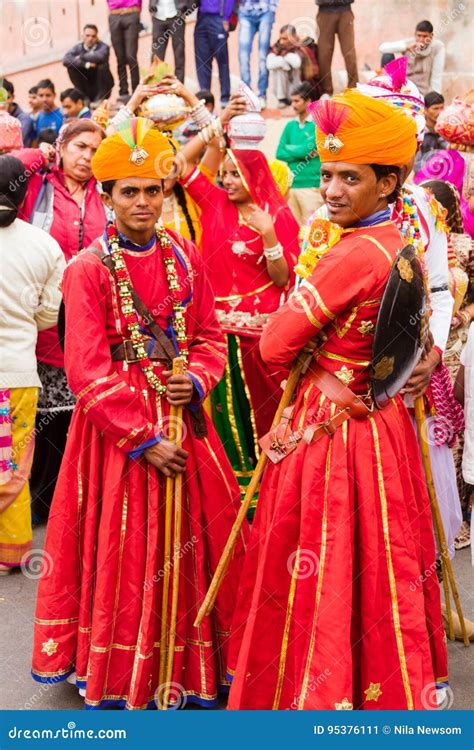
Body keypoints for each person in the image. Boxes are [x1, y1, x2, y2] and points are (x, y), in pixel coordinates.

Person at [226, 89, 448, 710]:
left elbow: (273, 345)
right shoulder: (396, 244)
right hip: (380, 425)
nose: (332, 190)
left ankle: (316, 693)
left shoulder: (350, 254)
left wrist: (296, 337)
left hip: (330, 431)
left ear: (388, 183)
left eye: (351, 178)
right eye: (326, 176)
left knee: (319, 560)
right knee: (380, 560)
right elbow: (409, 345)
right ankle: (377, 684)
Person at [31, 118, 246, 709]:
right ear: (107, 196)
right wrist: (144, 438)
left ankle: (197, 657)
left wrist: (198, 379)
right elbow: (86, 370)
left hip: (185, 413)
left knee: (201, 537)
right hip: (118, 431)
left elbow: (207, 333)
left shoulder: (184, 252)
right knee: (124, 548)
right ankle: (126, 667)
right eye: (129, 191)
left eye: (153, 189)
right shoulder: (86, 270)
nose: (144, 202)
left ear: (166, 189)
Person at [160, 76, 299, 510]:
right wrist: (208, 114)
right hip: (216, 338)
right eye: (224, 173)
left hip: (262, 342)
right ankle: (233, 492)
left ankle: (269, 489)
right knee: (221, 417)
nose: (227, 179)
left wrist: (270, 236)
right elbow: (176, 169)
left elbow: (283, 279)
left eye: (235, 173)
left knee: (263, 412)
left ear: (254, 172)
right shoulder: (214, 204)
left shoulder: (276, 214)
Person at [21, 119, 106, 523]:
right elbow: (9, 167)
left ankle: (66, 500)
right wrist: (42, 153)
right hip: (34, 313)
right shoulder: (37, 186)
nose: (87, 157)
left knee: (75, 411)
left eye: (94, 150)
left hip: (87, 313)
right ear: (62, 147)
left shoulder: (105, 192)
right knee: (39, 414)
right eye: (79, 147)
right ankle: (33, 501)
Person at [0, 156, 65, 574]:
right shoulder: (45, 246)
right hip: (19, 375)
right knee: (12, 462)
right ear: (26, 194)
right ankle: (9, 552)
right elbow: (47, 318)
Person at [276, 81, 322, 223]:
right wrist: (302, 150)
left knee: (313, 234)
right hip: (291, 187)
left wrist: (290, 148)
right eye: (292, 101)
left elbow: (304, 151)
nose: (293, 104)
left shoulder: (318, 125)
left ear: (308, 102)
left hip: (311, 186)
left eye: (297, 101)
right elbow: (279, 153)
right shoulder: (290, 125)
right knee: (294, 233)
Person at [379, 20, 445, 96]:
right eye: (419, 36)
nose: (421, 40)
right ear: (415, 35)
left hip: (421, 92)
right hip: (404, 89)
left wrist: (434, 98)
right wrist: (406, 48)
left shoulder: (437, 47)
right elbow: (382, 48)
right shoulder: (409, 43)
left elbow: (437, 76)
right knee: (387, 56)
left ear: (431, 36)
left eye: (425, 36)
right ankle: (384, 92)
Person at [194, 0, 236, 108]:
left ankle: (225, 98)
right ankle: (205, 97)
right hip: (201, 18)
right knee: (202, 61)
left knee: (222, 61)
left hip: (218, 18)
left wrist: (226, 17)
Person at [238, 0, 278, 109]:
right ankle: (247, 94)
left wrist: (272, 9)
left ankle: (262, 94)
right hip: (245, 11)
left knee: (263, 55)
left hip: (265, 10)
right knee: (243, 55)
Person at [266, 25, 319, 107]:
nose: (282, 41)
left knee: (283, 65)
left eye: (285, 39)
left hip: (298, 88)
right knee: (279, 69)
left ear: (293, 37)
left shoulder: (301, 47)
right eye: (281, 38)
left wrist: (283, 57)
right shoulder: (277, 47)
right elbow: (269, 64)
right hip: (282, 90)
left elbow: (296, 63)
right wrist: (284, 63)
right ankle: (282, 99)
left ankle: (294, 99)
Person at [316, 0, 358, 97]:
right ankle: (326, 91)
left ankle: (354, 88)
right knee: (324, 53)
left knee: (349, 52)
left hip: (345, 10)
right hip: (324, 12)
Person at [63, 24, 114, 104]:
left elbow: (99, 57)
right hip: (86, 84)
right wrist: (85, 64)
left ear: (97, 37)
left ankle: (100, 99)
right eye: (87, 35)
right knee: (71, 67)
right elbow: (66, 59)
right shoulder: (78, 47)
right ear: (82, 36)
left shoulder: (104, 47)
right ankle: (84, 98)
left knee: (102, 66)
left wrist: (80, 57)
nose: (90, 38)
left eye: (93, 36)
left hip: (101, 86)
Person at [149, 0, 195, 82]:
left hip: (177, 16)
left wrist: (187, 9)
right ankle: (156, 84)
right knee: (156, 54)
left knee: (179, 53)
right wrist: (152, 6)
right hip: (158, 17)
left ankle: (179, 85)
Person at [107, 0, 141, 102]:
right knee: (120, 58)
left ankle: (136, 90)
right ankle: (123, 92)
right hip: (114, 15)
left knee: (131, 56)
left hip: (131, 13)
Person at [414, 91, 447, 172]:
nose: (439, 112)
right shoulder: (419, 132)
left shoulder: (447, 131)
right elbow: (416, 164)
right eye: (435, 108)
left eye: (442, 108)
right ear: (425, 110)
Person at [1, 79, 35, 147]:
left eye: (7, 98)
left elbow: (10, 143)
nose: (3, 102)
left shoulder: (24, 119)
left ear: (12, 97)